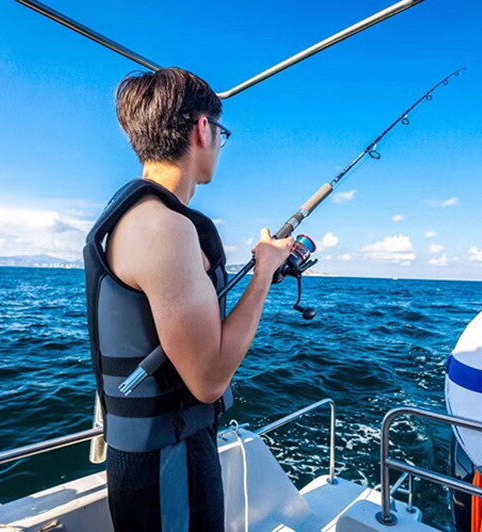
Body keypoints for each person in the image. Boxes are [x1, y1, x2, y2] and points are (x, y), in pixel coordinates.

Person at [83, 67, 294, 531]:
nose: (220, 143)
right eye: (222, 132)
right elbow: (209, 381)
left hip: (158, 454)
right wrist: (263, 273)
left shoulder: (139, 215)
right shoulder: (165, 227)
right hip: (166, 463)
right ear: (203, 128)